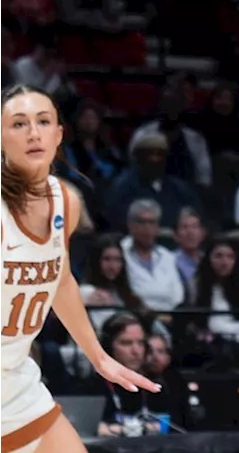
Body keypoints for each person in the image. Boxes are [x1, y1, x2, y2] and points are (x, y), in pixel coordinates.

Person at [0, 84, 158, 451]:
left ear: (58, 135)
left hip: (17, 380)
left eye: (43, 121)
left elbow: (60, 279)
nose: (33, 132)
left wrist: (99, 356)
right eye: (18, 124)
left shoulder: (65, 200)